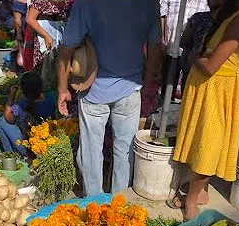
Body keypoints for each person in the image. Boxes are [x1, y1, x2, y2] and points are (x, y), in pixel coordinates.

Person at [58, 0, 162, 196]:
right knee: (125, 150)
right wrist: (148, 82)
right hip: (130, 88)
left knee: (91, 151)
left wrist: (63, 89)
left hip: (93, 89)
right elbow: (155, 46)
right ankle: (119, 204)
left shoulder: (87, 3)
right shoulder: (149, 4)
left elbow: (67, 48)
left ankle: (94, 201)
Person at [172, 0, 239, 220]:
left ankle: (191, 202)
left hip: (217, 89)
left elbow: (211, 66)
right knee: (201, 140)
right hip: (210, 88)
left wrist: (193, 57)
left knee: (207, 146)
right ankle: (200, 192)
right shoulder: (230, 17)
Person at [160, 0, 210, 99]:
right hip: (171, 48)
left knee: (188, 91)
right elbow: (162, 14)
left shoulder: (205, 3)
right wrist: (163, 37)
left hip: (192, 55)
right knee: (167, 89)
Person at [0, 72, 55, 155]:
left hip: (29, 147)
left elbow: (8, 118)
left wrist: (12, 94)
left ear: (23, 91)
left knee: (1, 121)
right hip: (49, 143)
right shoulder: (50, 99)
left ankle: (10, 155)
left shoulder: (22, 104)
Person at [23, 0, 73, 71]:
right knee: (45, 62)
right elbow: (30, 19)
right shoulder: (41, 1)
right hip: (42, 35)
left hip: (59, 35)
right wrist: (46, 36)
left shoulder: (66, 3)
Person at [180, 10, 214, 95]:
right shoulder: (227, 23)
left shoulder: (197, 18)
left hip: (192, 64)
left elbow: (183, 41)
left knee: (187, 95)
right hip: (212, 72)